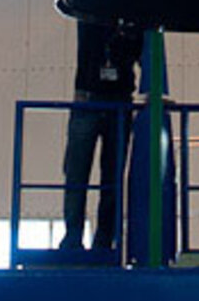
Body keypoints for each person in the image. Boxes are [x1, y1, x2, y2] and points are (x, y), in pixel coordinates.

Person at [58, 19, 143, 251]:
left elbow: (143, 53)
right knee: (77, 174)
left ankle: (103, 240)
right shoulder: (90, 9)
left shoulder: (135, 20)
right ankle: (73, 236)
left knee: (112, 177)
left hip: (118, 103)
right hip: (89, 99)